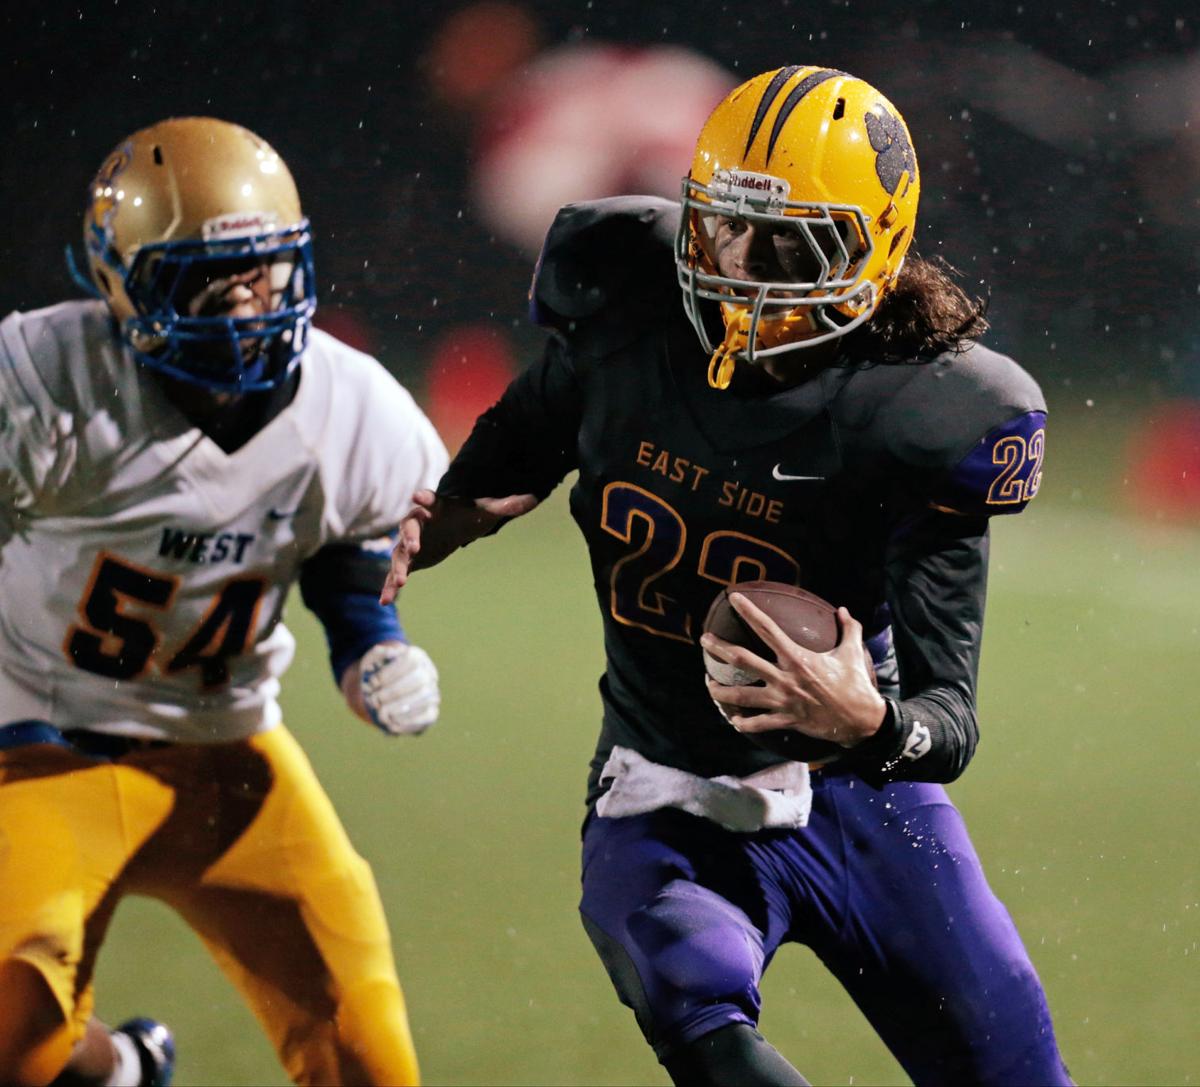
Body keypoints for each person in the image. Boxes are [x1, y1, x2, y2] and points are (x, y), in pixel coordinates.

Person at [382, 67, 1071, 1085]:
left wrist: (872, 723)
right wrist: (414, 526)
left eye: (793, 241)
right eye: (727, 228)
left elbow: (947, 723)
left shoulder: (922, 412)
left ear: (874, 246)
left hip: (864, 804)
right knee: (702, 1018)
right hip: (666, 796)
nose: (744, 266)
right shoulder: (627, 310)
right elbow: (503, 465)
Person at [0, 117, 448, 1086]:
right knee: (14, 1031)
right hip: (44, 745)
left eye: (267, 271)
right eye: (210, 278)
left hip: (230, 752)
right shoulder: (44, 383)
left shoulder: (353, 405)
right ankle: (116, 1069)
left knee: (367, 1048)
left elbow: (343, 545)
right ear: (124, 284)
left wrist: (368, 646)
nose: (250, 303)